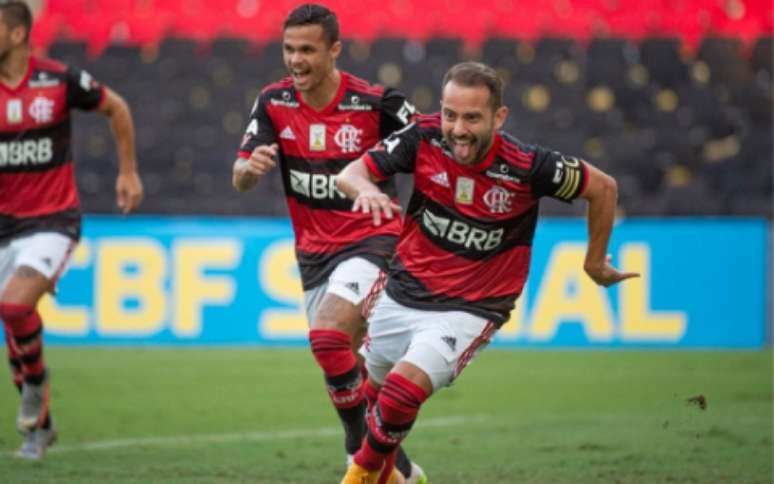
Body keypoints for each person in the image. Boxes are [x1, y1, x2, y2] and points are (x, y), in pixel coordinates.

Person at [336, 61, 640, 483]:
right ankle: (403, 479)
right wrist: (367, 190)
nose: (457, 128)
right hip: (404, 290)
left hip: (470, 308)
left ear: (499, 117)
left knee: (402, 392)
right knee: (369, 400)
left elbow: (602, 187)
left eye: (472, 117)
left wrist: (593, 262)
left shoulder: (527, 166)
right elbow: (351, 174)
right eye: (450, 114)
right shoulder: (422, 137)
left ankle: (357, 476)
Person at [231, 4, 425, 482]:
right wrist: (248, 169)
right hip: (313, 255)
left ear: (334, 49)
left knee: (326, 336)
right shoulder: (273, 102)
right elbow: (239, 178)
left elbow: (431, 153)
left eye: (307, 50)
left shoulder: (377, 102)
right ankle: (402, 470)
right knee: (343, 365)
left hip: (372, 240)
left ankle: (356, 453)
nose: (295, 60)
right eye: (288, 49)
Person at [0, 1, 143, 460]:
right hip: (4, 225)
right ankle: (39, 429)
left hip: (51, 220)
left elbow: (116, 107)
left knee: (14, 304)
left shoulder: (58, 80)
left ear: (18, 35)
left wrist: (128, 173)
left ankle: (36, 388)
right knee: (15, 324)